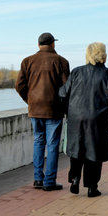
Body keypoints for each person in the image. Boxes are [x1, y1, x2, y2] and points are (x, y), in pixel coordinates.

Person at [59, 42, 108, 197]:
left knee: (77, 148)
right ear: (104, 56)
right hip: (98, 119)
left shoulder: (76, 72)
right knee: (94, 152)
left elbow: (62, 94)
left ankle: (75, 179)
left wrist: (67, 111)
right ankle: (91, 187)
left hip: (76, 117)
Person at [15, 32, 70, 191]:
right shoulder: (61, 62)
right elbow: (67, 88)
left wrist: (30, 100)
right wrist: (64, 107)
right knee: (52, 145)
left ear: (39, 45)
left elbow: (19, 86)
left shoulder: (27, 61)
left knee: (39, 142)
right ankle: (49, 181)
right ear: (53, 44)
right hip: (53, 110)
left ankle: (38, 179)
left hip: (35, 110)